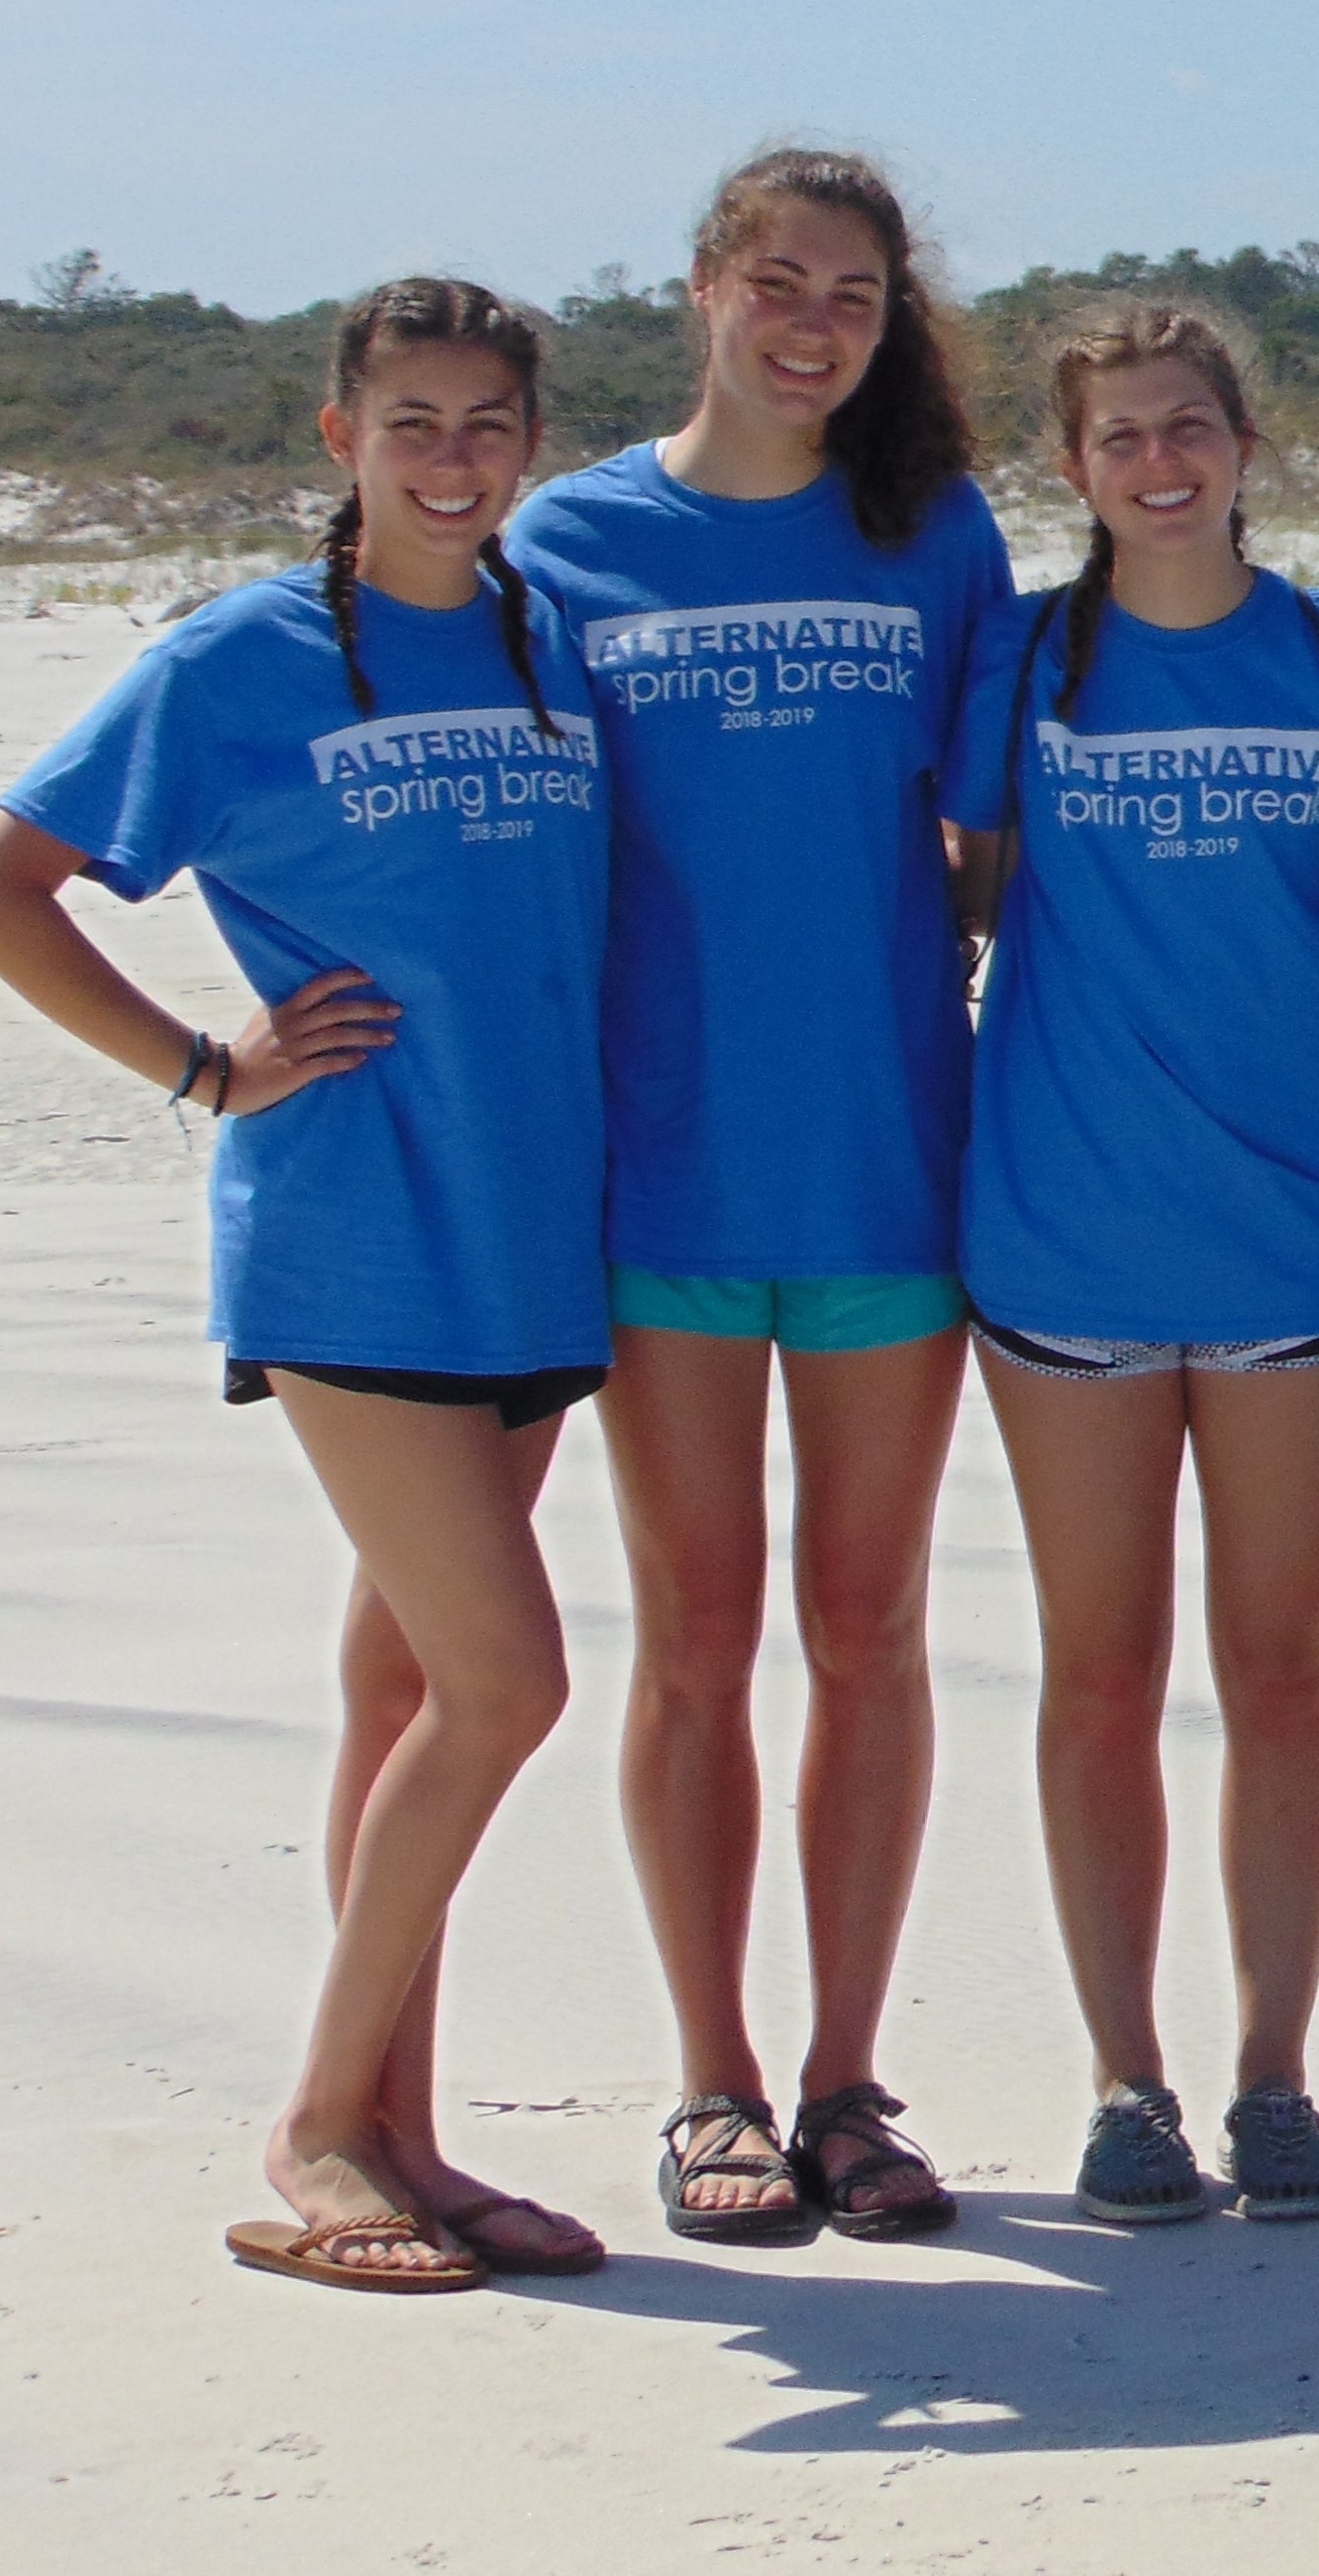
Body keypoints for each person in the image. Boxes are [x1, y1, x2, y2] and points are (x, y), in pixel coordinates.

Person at [0, 279, 612, 2295]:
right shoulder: (235, 658)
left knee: (406, 1684)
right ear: (340, 437)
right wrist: (202, 1068)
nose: (452, 457)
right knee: (506, 1684)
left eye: (488, 422)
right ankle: (320, 2124)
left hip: (533, 1230)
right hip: (356, 1232)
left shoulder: (549, 639)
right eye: (411, 420)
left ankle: (405, 2133)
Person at [503, 149, 1010, 2247]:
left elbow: (984, 852)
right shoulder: (569, 538)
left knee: (871, 1630)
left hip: (891, 1163)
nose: (815, 323)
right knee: (697, 1637)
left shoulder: (937, 535)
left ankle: (843, 2080)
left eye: (857, 295)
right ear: (703, 285)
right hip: (667, 1171)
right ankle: (708, 2082)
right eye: (780, 282)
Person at [944, 304, 1319, 2227]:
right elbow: (947, 903)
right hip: (1061, 1233)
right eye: (1118, 434)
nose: (1158, 461)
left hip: (1297, 1230)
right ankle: (1125, 2082)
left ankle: (1274, 2077)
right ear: (1071, 466)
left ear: (1240, 442)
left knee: (1283, 1672)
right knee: (1098, 1675)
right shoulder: (1022, 656)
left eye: (1188, 426)